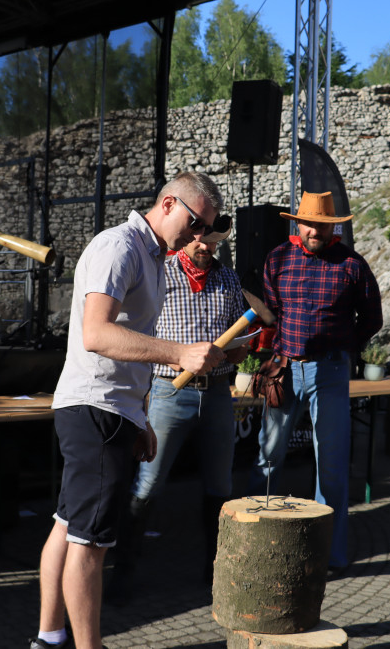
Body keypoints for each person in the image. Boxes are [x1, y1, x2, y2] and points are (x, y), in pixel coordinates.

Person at [29, 172, 227, 649]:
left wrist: (138, 416)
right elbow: (96, 334)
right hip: (94, 408)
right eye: (196, 222)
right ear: (167, 203)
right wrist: (179, 353)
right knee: (90, 543)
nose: (200, 235)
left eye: (209, 229)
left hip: (111, 410)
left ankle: (49, 637)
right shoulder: (120, 246)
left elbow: (127, 344)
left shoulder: (154, 257)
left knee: (67, 525)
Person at [106, 224, 247, 604]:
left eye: (212, 241)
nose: (204, 245)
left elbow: (238, 341)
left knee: (221, 486)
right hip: (170, 389)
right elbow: (137, 330)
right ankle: (123, 575)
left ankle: (216, 573)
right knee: (148, 485)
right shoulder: (161, 271)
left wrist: (239, 350)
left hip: (218, 392)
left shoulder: (229, 278)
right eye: (199, 238)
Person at [250, 190, 383, 576]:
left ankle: (329, 555)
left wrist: (344, 349)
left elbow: (372, 318)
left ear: (332, 227)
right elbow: (272, 313)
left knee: (332, 466)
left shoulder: (352, 265)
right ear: (297, 223)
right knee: (269, 454)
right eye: (308, 223)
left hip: (330, 372)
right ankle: (258, 544)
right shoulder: (277, 259)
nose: (314, 230)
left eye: (322, 225)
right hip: (285, 368)